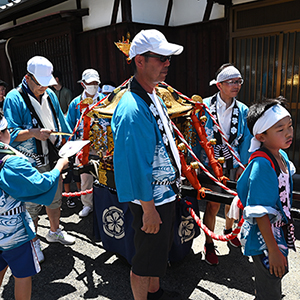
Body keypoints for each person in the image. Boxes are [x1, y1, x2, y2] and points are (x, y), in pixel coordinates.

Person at [111, 29, 183, 300]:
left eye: (168, 59)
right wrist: (149, 210)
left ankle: (155, 292)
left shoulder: (152, 94)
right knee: (144, 261)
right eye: (161, 58)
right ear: (139, 60)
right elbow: (134, 165)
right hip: (150, 198)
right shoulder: (132, 108)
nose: (166, 64)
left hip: (163, 193)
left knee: (156, 254)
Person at [3, 56, 75, 264]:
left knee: (55, 195)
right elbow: (11, 134)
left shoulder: (50, 94)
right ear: (28, 77)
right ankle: (33, 240)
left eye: (47, 82)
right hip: (30, 159)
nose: (44, 87)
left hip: (53, 154)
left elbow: (61, 123)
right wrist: (33, 133)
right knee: (31, 203)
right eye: (40, 83)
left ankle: (54, 230)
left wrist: (69, 145)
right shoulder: (13, 98)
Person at [0, 111, 69, 300]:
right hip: (12, 230)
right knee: (22, 274)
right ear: (3, 132)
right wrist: (59, 166)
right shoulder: (10, 163)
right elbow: (41, 184)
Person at [237, 97, 295, 300]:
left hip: (277, 233)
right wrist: (273, 250)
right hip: (266, 240)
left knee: (271, 281)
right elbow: (260, 212)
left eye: (290, 125)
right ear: (261, 136)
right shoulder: (262, 165)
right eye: (280, 129)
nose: (289, 132)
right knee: (269, 287)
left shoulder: (281, 156)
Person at [193, 63, 252, 266]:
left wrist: (243, 165)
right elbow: (195, 135)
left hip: (233, 161)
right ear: (219, 85)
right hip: (209, 161)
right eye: (231, 82)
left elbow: (246, 139)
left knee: (233, 201)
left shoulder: (243, 109)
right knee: (213, 203)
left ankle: (229, 230)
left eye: (239, 81)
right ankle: (209, 242)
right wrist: (196, 163)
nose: (236, 85)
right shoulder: (204, 106)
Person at [66, 69, 105, 217]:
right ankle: (87, 204)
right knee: (85, 176)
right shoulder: (75, 103)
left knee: (104, 175)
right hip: (83, 144)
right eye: (90, 83)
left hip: (102, 144)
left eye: (96, 83)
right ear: (83, 84)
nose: (93, 86)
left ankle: (104, 202)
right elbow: (69, 126)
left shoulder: (104, 100)